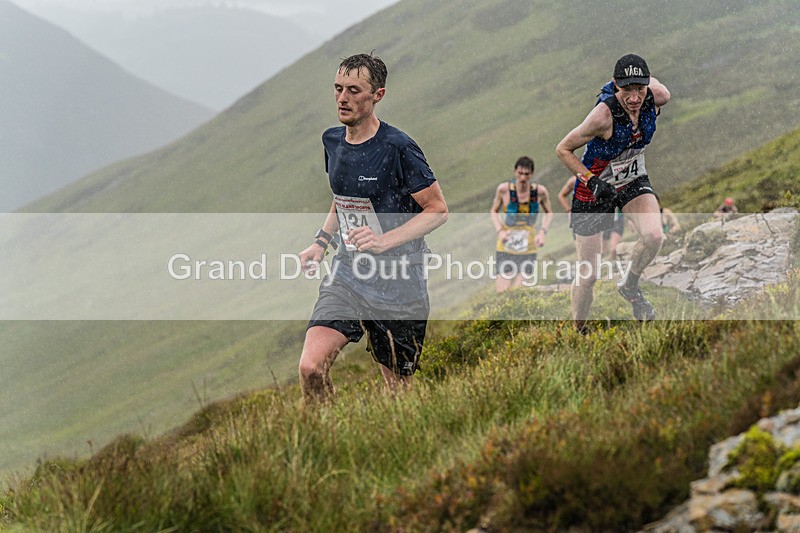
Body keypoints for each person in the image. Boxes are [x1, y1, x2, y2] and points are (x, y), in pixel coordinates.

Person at [297, 53, 448, 403]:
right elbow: (344, 196)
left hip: (400, 278)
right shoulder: (332, 141)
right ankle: (324, 439)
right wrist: (321, 242)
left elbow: (438, 210)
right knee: (310, 368)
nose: (342, 98)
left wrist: (383, 242)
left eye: (353, 90)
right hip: (349, 272)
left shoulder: (398, 147)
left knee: (398, 396)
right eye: (337, 89)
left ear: (377, 95)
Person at [555, 53, 670, 330]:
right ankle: (579, 329)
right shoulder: (602, 116)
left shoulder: (658, 96)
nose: (634, 98)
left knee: (654, 236)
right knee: (589, 272)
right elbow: (563, 149)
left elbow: (653, 89)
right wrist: (592, 181)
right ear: (615, 86)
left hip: (631, 177)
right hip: (594, 188)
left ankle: (630, 284)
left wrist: (641, 78)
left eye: (639, 89)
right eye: (626, 91)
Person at [490, 156, 553, 292]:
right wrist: (500, 230)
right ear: (515, 172)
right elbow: (493, 211)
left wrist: (542, 232)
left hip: (528, 247)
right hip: (506, 246)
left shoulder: (540, 192)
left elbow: (549, 212)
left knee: (519, 291)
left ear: (532, 174)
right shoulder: (504, 190)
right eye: (520, 173)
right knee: (503, 291)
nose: (523, 178)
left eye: (526, 174)